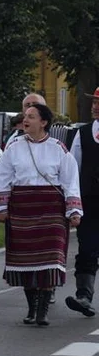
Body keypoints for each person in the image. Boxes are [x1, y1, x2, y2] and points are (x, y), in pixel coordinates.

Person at [0, 104, 83, 326]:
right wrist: (1, 208)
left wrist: (73, 210)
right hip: (22, 208)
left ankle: (42, 310)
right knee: (24, 261)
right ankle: (31, 308)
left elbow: (70, 180)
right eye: (25, 117)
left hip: (51, 209)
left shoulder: (58, 148)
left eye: (32, 117)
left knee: (50, 259)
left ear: (43, 122)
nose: (26, 120)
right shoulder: (13, 148)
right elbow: (1, 176)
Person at [66, 88, 99, 317]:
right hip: (89, 200)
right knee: (87, 248)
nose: (95, 106)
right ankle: (84, 296)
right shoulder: (83, 133)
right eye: (95, 102)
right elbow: (73, 170)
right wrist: (73, 201)